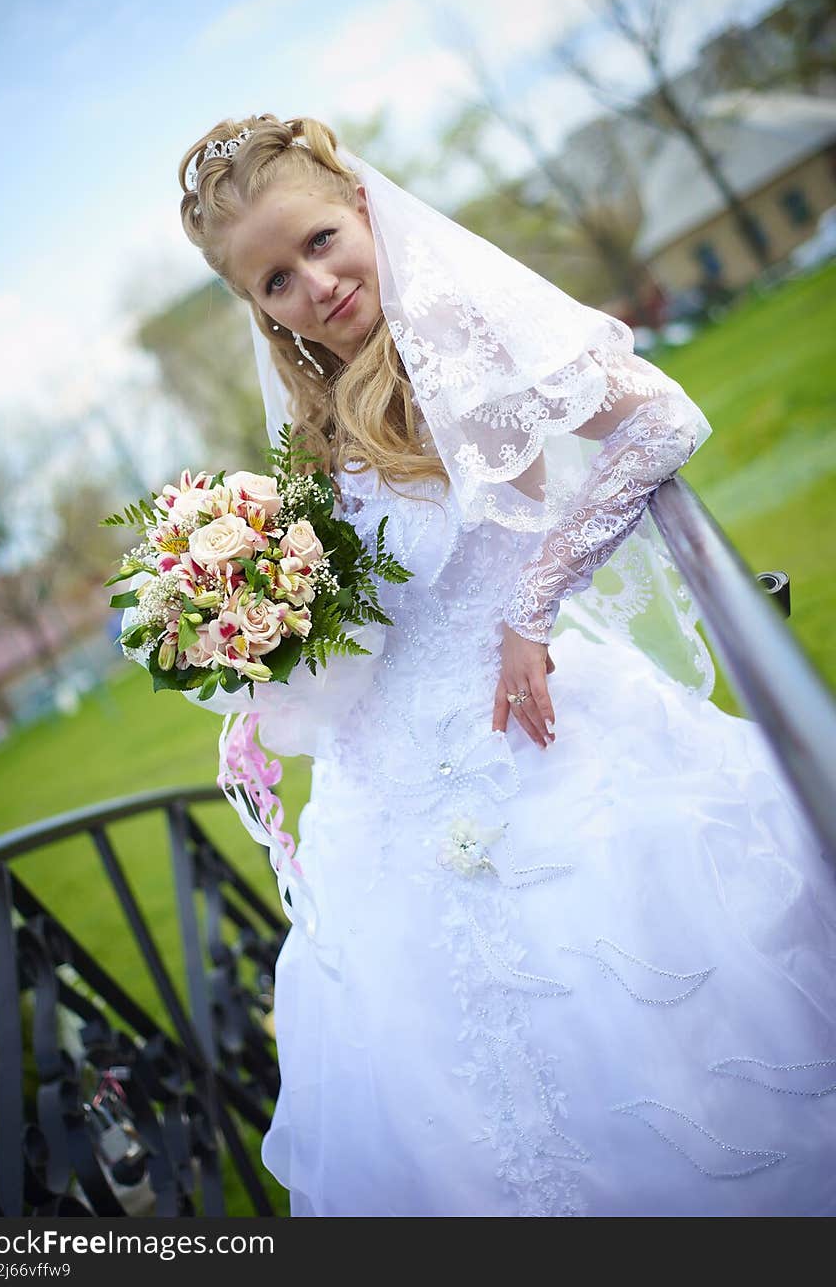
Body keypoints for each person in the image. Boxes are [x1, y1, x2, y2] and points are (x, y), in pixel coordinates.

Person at [177, 113, 836, 1217]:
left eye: (322, 242)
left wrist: (535, 608)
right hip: (390, 768)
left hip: (519, 721)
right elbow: (386, 600)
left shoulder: (466, 336)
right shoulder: (320, 416)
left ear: (365, 209)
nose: (312, 285)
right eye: (275, 283)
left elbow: (661, 423)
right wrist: (268, 632)